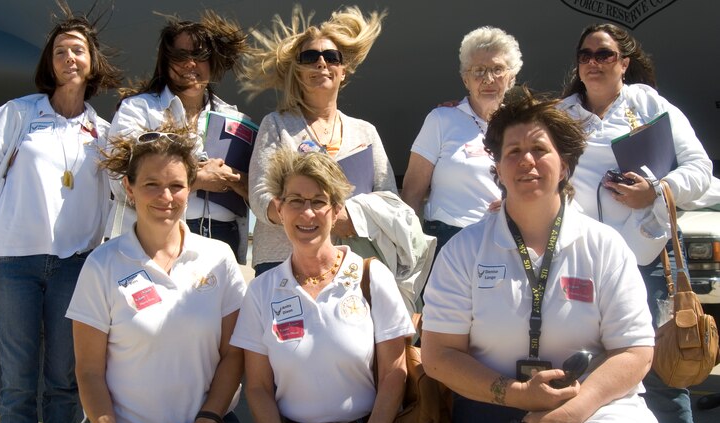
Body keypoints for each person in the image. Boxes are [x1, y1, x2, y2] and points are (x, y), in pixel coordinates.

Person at [420, 93, 681, 423]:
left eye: (540, 149)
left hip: (593, 406)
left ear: (564, 166)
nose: (526, 160)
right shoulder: (463, 251)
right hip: (491, 411)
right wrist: (516, 393)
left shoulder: (604, 246)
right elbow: (439, 354)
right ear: (497, 166)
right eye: (513, 151)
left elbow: (635, 350)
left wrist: (570, 414)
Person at [0, 6, 119, 423]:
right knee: (18, 386)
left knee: (64, 383)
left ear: (91, 62)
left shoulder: (104, 135)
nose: (69, 57)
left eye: (78, 50)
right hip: (15, 265)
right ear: (50, 62)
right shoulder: (19, 114)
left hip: (74, 268)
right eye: (60, 51)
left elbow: (121, 199)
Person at [560, 24, 712, 423]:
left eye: (605, 54)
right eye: (586, 53)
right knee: (588, 380)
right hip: (582, 266)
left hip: (646, 266)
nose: (593, 61)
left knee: (664, 382)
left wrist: (657, 190)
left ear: (624, 63)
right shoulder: (561, 114)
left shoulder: (648, 105)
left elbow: (700, 169)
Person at [67, 127, 247, 423]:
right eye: (151, 184)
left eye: (176, 186)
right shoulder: (103, 264)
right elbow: (88, 371)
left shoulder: (218, 257)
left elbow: (234, 355)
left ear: (190, 188)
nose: (165, 196)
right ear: (129, 190)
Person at [230, 149, 414, 423]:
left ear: (337, 209)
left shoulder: (372, 277)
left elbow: (394, 373)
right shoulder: (262, 291)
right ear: (279, 208)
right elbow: (257, 386)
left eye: (319, 200)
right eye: (296, 200)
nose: (308, 213)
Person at [241, 5, 399, 276]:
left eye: (331, 57)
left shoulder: (365, 132)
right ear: (298, 71)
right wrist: (312, 218)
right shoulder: (276, 125)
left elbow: (390, 200)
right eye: (310, 57)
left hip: (350, 263)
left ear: (343, 70)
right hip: (282, 261)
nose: (321, 63)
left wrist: (355, 219)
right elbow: (259, 196)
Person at [108, 11, 251, 263]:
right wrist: (197, 179)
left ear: (213, 61)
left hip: (223, 235)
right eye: (180, 56)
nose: (190, 64)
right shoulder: (138, 110)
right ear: (166, 61)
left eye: (200, 56)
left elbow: (257, 189)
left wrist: (233, 179)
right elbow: (119, 181)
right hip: (156, 236)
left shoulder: (235, 119)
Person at [401, 26, 522, 254]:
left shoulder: (521, 126)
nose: (488, 79)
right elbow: (412, 193)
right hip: (448, 241)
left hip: (506, 238)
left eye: (497, 69)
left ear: (511, 77)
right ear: (466, 79)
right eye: (478, 70)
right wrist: (409, 250)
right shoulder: (441, 119)